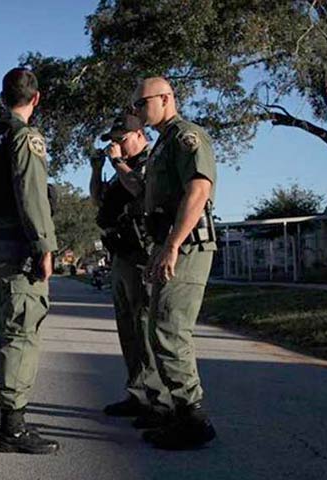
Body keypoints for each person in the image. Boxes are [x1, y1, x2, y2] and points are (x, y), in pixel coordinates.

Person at [0, 67, 59, 454]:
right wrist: (44, 247)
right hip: (14, 251)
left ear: (2, 97)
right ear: (35, 99)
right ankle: (13, 427)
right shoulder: (25, 138)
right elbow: (32, 196)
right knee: (20, 334)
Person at [131, 77, 218, 449]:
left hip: (186, 246)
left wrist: (172, 245)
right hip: (169, 245)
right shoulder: (162, 144)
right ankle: (179, 413)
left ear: (165, 99)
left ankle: (193, 420)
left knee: (170, 330)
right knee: (159, 330)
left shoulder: (186, 137)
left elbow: (199, 190)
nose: (137, 111)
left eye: (141, 103)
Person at [90, 114, 170, 426]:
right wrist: (98, 169)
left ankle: (158, 401)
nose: (116, 145)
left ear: (138, 134)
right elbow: (99, 199)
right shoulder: (118, 170)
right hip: (121, 254)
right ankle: (137, 393)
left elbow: (141, 190)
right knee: (127, 327)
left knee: (143, 325)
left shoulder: (148, 162)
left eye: (121, 139)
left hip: (143, 254)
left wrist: (117, 164)